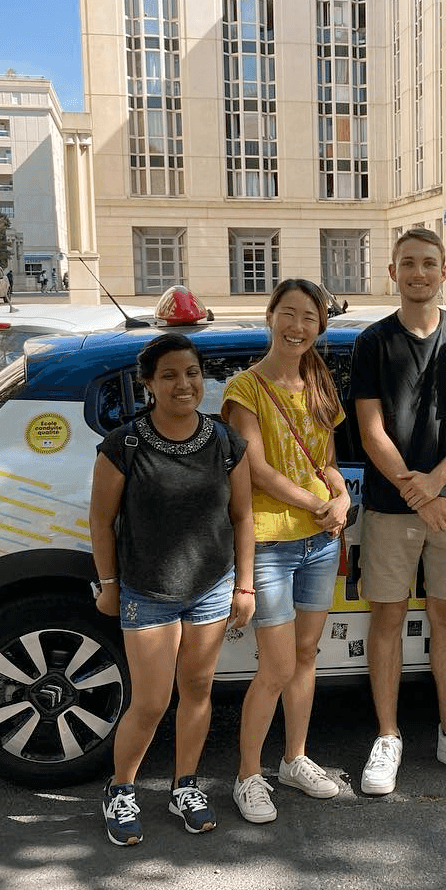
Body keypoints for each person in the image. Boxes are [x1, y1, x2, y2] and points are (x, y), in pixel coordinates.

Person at [350, 227, 446, 795]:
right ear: (393, 272)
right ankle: (388, 736)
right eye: (408, 263)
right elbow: (371, 432)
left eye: (429, 263)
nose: (419, 272)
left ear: (445, 271)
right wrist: (420, 495)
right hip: (391, 506)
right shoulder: (372, 342)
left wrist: (436, 485)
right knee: (387, 619)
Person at [89, 332, 256, 845]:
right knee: (152, 701)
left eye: (191, 373)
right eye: (169, 375)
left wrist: (245, 586)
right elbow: (101, 520)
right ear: (149, 384)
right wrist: (109, 584)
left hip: (211, 588)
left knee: (199, 690)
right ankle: (120, 789)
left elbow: (243, 516)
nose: (184, 384)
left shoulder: (225, 442)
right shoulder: (125, 445)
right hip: (147, 592)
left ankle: (185, 786)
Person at [221, 279, 351, 823]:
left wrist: (341, 495)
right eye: (289, 314)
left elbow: (327, 462)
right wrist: (318, 503)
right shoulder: (244, 388)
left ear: (320, 326)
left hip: (320, 541)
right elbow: (255, 469)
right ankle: (247, 776)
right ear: (270, 315)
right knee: (274, 667)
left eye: (309, 318)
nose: (298, 327)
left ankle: (295, 758)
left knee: (305, 656)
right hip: (271, 542)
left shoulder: (319, 382)